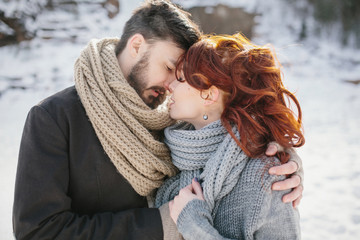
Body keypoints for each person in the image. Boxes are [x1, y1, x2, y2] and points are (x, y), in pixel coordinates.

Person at [13, 1, 303, 239]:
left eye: (181, 77)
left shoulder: (171, 126)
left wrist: (279, 155)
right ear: (137, 46)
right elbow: (38, 231)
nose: (170, 85)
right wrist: (159, 225)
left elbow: (228, 141)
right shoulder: (54, 118)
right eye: (169, 68)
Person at [154, 33, 304, 239]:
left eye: (181, 78)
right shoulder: (171, 152)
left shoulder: (266, 175)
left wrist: (194, 226)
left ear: (208, 94)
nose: (169, 85)